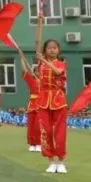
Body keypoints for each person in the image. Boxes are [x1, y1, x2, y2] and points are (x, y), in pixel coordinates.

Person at [21, 39, 68, 173]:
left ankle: (61, 161)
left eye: (55, 48)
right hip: (43, 100)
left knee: (59, 132)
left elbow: (58, 72)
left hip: (58, 100)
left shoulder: (61, 63)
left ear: (58, 50)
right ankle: (51, 161)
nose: (52, 50)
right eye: (49, 48)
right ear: (45, 50)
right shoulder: (40, 65)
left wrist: (43, 60)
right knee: (45, 131)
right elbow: (28, 71)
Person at [23, 70, 42, 152]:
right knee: (30, 126)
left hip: (41, 105)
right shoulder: (31, 80)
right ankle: (32, 144)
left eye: (39, 71)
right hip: (32, 106)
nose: (38, 73)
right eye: (36, 71)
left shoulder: (44, 81)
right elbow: (24, 71)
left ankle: (38, 144)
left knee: (38, 126)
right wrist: (22, 61)